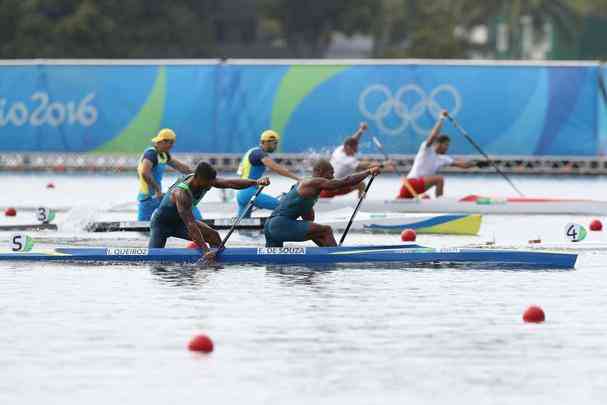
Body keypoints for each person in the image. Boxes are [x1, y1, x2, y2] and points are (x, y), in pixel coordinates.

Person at [148, 161, 270, 259]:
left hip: (179, 223)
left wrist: (256, 182)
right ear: (198, 179)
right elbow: (191, 225)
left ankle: (217, 266)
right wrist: (205, 251)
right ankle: (207, 258)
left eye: (213, 181)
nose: (212, 185)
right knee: (153, 262)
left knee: (214, 236)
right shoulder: (181, 194)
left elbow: (231, 183)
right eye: (209, 182)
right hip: (161, 224)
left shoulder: (206, 180)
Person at [264, 159, 381, 247]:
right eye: (330, 173)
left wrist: (309, 208)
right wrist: (368, 172)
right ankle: (337, 257)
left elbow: (308, 219)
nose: (332, 177)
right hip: (280, 224)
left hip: (270, 226)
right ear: (320, 171)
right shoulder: (313, 182)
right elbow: (344, 182)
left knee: (274, 264)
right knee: (326, 230)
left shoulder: (304, 186)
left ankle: (329, 255)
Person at [398, 111, 482, 199]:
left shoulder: (443, 158)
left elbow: (464, 165)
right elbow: (433, 136)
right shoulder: (427, 149)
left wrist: (478, 164)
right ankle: (440, 201)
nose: (447, 148)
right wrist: (441, 118)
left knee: (425, 197)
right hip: (410, 184)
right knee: (439, 179)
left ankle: (433, 203)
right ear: (438, 144)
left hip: (415, 188)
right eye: (446, 145)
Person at [137, 128, 200, 220]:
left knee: (185, 203)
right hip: (148, 197)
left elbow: (182, 167)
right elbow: (145, 173)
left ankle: (195, 221)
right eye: (170, 143)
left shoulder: (164, 155)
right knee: (184, 203)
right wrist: (157, 190)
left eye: (172, 143)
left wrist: (199, 175)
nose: (171, 146)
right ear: (162, 141)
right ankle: (197, 221)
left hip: (155, 197)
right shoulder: (151, 154)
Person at [236, 130, 300, 217]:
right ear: (264, 142)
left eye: (277, 143)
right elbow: (277, 168)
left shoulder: (251, 152)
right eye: (274, 143)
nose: (276, 146)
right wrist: (299, 179)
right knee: (283, 207)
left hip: (241, 193)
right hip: (249, 193)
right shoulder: (258, 154)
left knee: (242, 225)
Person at [323, 122, 391, 198]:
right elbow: (367, 165)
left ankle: (359, 204)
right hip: (331, 189)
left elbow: (353, 140)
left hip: (338, 184)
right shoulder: (346, 160)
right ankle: (359, 205)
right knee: (360, 183)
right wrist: (384, 164)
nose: (356, 151)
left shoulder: (340, 149)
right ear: (348, 147)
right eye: (355, 150)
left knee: (361, 184)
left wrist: (361, 130)